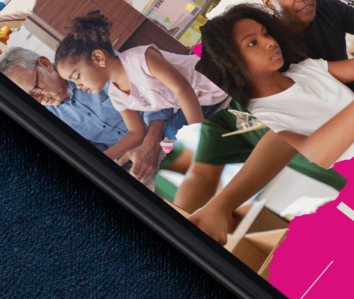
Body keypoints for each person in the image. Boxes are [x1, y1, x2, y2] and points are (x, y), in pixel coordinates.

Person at [197, 4, 354, 166]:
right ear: (230, 63)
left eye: (266, 34)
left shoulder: (305, 70)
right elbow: (315, 153)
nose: (269, 42)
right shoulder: (260, 116)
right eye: (252, 43)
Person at [53, 13, 230, 181]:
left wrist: (198, 134)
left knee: (179, 135)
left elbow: (182, 88)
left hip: (213, 83)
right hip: (196, 103)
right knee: (169, 136)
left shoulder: (140, 58)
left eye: (77, 77)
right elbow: (135, 133)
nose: (78, 86)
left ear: (98, 58)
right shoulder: (116, 95)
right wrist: (100, 160)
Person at [0, 46, 182, 169]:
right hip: (135, 162)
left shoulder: (92, 64)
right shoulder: (48, 119)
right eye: (28, 100)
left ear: (45, 64)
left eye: (34, 91)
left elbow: (155, 94)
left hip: (171, 129)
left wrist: (151, 144)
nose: (39, 101)